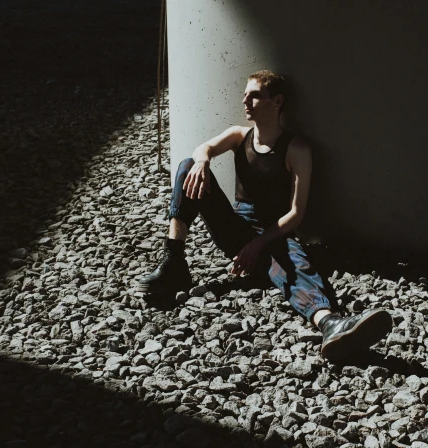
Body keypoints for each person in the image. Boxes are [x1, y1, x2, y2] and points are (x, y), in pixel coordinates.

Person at [138, 70, 391, 362]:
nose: (246, 100)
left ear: (277, 101)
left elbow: (296, 213)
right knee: (187, 166)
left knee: (297, 268)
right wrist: (203, 159)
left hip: (276, 233)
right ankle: (174, 262)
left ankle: (330, 323)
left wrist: (258, 244)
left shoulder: (296, 149)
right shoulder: (238, 135)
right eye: (246, 94)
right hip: (236, 228)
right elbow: (203, 148)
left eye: (255, 95)